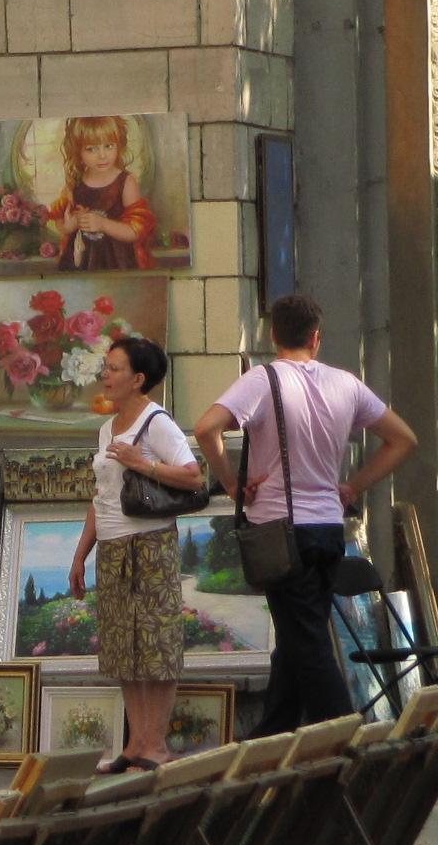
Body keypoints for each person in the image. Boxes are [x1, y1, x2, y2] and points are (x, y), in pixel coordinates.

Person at [194, 294, 420, 735]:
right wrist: (354, 485)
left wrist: (231, 483)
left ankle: (345, 738)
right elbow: (403, 439)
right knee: (298, 637)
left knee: (308, 642)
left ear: (272, 334)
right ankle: (272, 736)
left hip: (280, 531)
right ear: (316, 337)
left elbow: (206, 428)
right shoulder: (347, 384)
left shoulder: (263, 380)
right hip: (329, 529)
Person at [69, 336, 202, 770]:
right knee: (123, 646)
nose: (105, 375)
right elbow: (101, 496)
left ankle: (156, 744)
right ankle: (136, 743)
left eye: (115, 368)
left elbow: (193, 477)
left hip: (150, 544)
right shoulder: (107, 428)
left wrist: (141, 462)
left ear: (138, 378)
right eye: (105, 367)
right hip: (112, 546)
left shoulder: (156, 422)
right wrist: (80, 555)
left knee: (156, 642)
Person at [48, 115, 160, 271]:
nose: (102, 155)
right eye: (91, 149)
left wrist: (102, 224)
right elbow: (62, 225)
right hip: (80, 260)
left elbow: (135, 231)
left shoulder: (125, 182)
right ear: (78, 151)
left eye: (108, 146)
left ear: (119, 146)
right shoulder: (74, 184)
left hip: (116, 260)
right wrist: (72, 224)